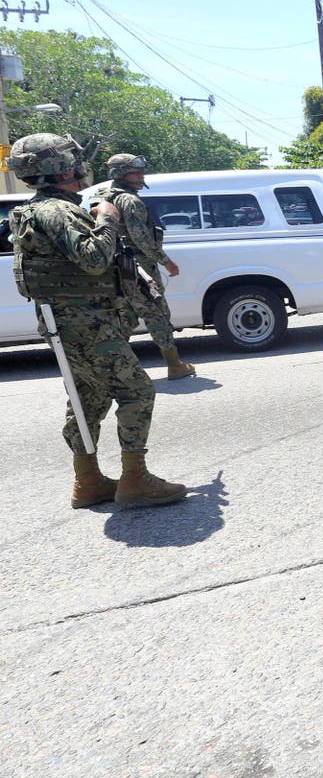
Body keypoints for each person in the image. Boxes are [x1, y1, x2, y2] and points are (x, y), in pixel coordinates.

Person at [9, 134, 187, 508]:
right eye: (73, 158)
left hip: (74, 324)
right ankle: (135, 480)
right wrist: (106, 219)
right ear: (60, 167)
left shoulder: (41, 209)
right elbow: (92, 258)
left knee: (87, 397)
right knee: (137, 392)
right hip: (87, 325)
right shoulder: (56, 211)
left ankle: (88, 481)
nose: (81, 164)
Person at [96, 153, 196, 380]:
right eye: (135, 172)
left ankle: (108, 370)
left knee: (127, 317)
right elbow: (141, 238)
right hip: (137, 269)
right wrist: (166, 261)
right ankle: (175, 365)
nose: (141, 176)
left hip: (115, 268)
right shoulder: (129, 200)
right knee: (157, 312)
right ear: (121, 174)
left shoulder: (102, 195)